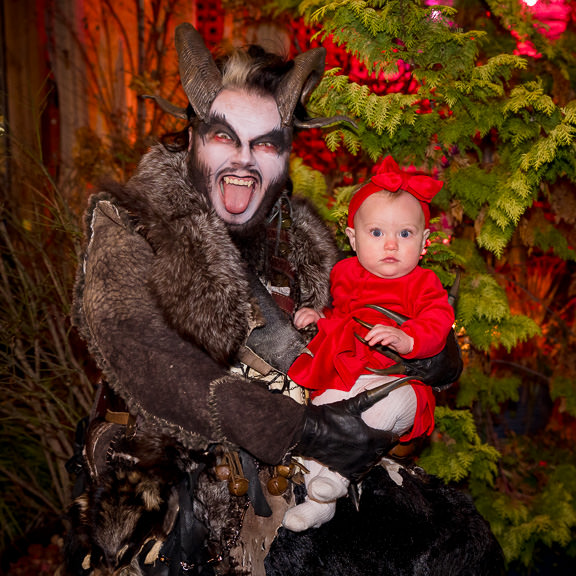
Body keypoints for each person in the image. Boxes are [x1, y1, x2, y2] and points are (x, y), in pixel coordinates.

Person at [69, 23, 462, 575]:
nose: (245, 160)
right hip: (172, 494)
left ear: (285, 155)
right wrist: (303, 431)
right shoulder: (132, 226)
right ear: (192, 138)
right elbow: (158, 364)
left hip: (305, 481)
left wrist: (425, 349)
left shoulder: (304, 243)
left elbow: (354, 330)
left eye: (266, 143)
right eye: (225, 137)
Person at [282, 157, 455, 532]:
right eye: (376, 233)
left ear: (424, 243)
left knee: (386, 409)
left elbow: (438, 322)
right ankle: (319, 499)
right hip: (350, 373)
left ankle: (334, 482)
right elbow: (341, 316)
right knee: (320, 412)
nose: (391, 244)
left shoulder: (423, 283)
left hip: (397, 381)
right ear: (352, 238)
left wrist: (408, 338)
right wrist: (319, 318)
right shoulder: (344, 273)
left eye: (405, 234)